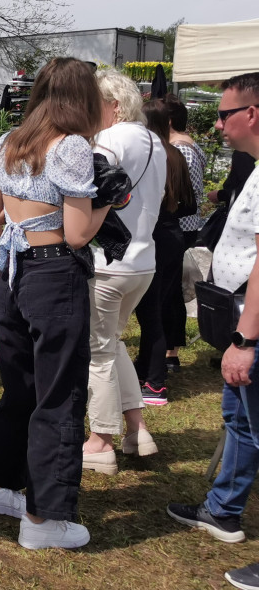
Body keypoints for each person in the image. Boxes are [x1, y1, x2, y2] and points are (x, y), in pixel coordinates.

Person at [0, 57, 111, 550]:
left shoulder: (10, 139)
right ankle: (44, 517)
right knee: (59, 393)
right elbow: (77, 234)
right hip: (54, 271)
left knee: (21, 388)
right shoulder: (71, 146)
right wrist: (108, 206)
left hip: (12, 270)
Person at [168, 73, 259, 574]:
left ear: (254, 113)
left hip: (252, 322)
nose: (217, 123)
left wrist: (245, 338)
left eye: (224, 114)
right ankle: (223, 510)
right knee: (239, 421)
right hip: (241, 316)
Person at [82, 70, 166, 475]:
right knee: (112, 344)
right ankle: (137, 429)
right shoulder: (155, 141)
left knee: (98, 353)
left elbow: (93, 193)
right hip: (143, 260)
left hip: (108, 261)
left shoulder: (109, 140)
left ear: (114, 105)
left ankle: (100, 441)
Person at [132, 100, 195, 405]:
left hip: (153, 235)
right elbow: (191, 205)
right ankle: (146, 369)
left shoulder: (149, 154)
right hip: (172, 235)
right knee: (154, 309)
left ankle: (155, 382)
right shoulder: (174, 155)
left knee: (150, 312)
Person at [163, 94, 206, 372]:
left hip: (181, 225)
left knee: (170, 292)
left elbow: (185, 196)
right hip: (182, 225)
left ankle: (171, 351)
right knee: (170, 291)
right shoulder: (186, 146)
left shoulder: (182, 149)